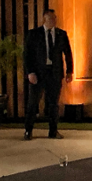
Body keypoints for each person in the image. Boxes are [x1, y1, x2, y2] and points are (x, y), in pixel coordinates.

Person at [24, 9, 73, 140]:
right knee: (33, 103)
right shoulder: (34, 34)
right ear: (44, 20)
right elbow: (27, 55)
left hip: (54, 74)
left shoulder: (61, 34)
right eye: (50, 18)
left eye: (54, 18)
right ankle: (28, 130)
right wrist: (30, 72)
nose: (53, 21)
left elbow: (68, 53)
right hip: (38, 74)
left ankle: (53, 131)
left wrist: (69, 71)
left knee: (53, 104)